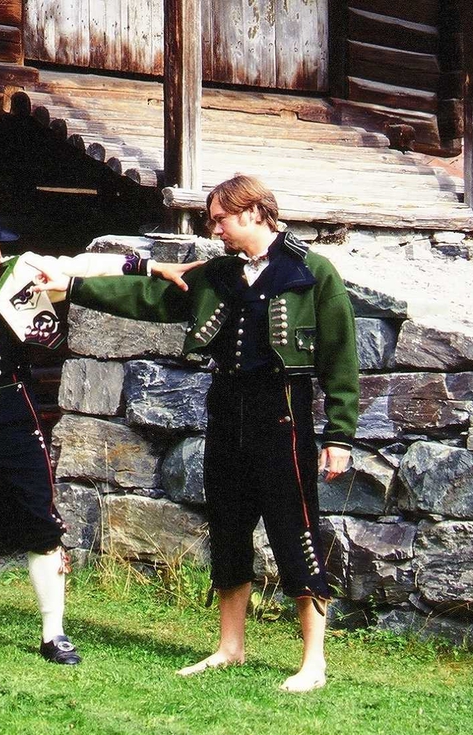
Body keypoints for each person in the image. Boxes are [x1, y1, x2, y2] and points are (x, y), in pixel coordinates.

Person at [38, 175, 359, 692]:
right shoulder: (217, 274)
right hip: (227, 409)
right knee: (229, 525)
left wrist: (340, 436)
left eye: (221, 218)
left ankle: (313, 662)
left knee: (293, 527)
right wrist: (73, 287)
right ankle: (230, 647)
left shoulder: (312, 271)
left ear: (254, 212)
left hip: (283, 414)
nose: (215, 230)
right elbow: (148, 298)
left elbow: (342, 360)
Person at [0, 200, 195, 664]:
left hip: (17, 413)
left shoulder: (21, 272)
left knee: (40, 520)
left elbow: (82, 266)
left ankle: (53, 635)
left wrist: (151, 266)